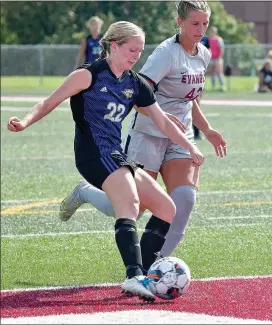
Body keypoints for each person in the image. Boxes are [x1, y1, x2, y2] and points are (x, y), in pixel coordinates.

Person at [7, 21, 205, 303]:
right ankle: (134, 275)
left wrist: (190, 145)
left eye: (140, 51)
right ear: (114, 46)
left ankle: (146, 274)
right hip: (91, 153)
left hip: (114, 154)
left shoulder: (133, 82)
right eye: (131, 50)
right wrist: (24, 122)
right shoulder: (87, 75)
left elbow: (162, 120)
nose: (136, 56)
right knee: (130, 204)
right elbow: (48, 103)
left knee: (166, 208)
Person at [59, 1, 227, 275]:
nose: (200, 29)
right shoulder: (164, 54)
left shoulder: (204, 55)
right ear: (180, 22)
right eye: (195, 23)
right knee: (130, 209)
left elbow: (191, 99)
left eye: (205, 23)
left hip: (179, 136)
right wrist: (160, 116)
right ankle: (86, 192)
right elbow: (138, 94)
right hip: (148, 135)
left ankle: (153, 269)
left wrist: (206, 130)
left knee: (183, 201)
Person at [193, 34, 211, 140]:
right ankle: (195, 132)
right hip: (187, 76)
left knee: (196, 104)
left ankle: (196, 132)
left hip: (197, 76)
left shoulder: (203, 51)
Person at [208, 26, 225, 91]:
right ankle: (213, 86)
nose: (212, 32)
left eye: (213, 31)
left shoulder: (219, 39)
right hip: (211, 58)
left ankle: (222, 86)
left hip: (218, 58)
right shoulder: (208, 39)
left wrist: (219, 58)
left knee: (219, 72)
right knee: (212, 72)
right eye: (211, 31)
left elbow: (222, 49)